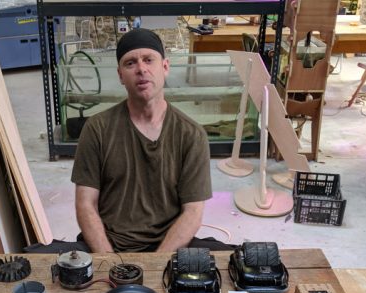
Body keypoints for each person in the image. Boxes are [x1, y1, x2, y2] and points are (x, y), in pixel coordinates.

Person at [26, 28, 233, 254]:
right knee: (34, 259)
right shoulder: (97, 128)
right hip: (109, 244)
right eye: (130, 63)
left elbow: (192, 212)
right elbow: (85, 204)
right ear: (120, 75)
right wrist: (110, 262)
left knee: (236, 262)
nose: (141, 69)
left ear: (165, 67)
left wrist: (157, 264)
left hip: (169, 246)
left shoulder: (191, 134)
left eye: (148, 60)